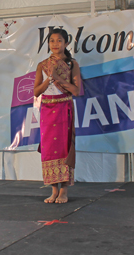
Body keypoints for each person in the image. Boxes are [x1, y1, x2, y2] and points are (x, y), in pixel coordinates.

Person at [33, 28, 81, 204]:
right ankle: (53, 190)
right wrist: (48, 79)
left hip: (64, 107)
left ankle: (64, 191)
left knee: (63, 147)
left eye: (59, 41)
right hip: (47, 109)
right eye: (52, 41)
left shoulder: (71, 64)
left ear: (66, 43)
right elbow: (36, 91)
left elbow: (77, 91)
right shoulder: (42, 65)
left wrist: (59, 79)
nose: (55, 44)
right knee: (48, 148)